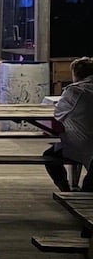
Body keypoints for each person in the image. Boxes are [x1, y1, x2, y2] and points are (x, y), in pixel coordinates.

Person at [43, 57, 93, 192]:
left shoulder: (75, 91)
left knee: (49, 156)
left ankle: (65, 190)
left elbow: (58, 114)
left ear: (75, 74)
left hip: (81, 144)